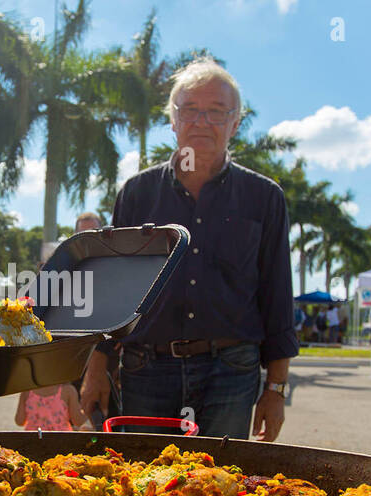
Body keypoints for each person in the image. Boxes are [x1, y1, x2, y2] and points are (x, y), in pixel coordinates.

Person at [80, 58, 297, 440]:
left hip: (231, 371)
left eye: (216, 111)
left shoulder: (264, 198)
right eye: (190, 110)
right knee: (143, 487)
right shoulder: (137, 194)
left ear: (236, 123)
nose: (202, 121)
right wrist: (96, 371)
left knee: (221, 484)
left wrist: (276, 390)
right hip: (146, 370)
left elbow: (277, 297)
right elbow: (113, 292)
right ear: (173, 120)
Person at [16, 382, 88, 432]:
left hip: (34, 439)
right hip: (61, 440)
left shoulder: (27, 391)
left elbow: (19, 421)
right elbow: (78, 421)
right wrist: (88, 407)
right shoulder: (68, 391)